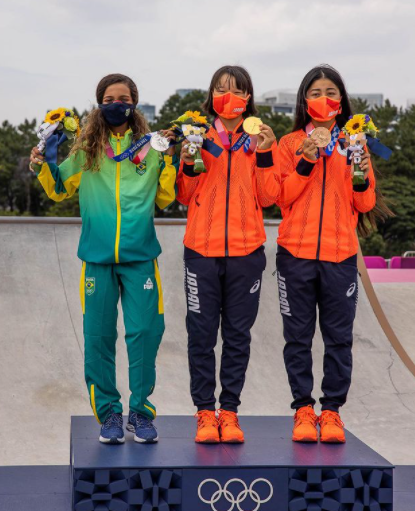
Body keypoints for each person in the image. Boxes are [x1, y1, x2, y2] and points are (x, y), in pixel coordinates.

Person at [30, 73, 178, 444]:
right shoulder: (86, 149)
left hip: (140, 256)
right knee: (98, 337)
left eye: (123, 98)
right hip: (96, 257)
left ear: (134, 103)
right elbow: (61, 189)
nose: (116, 104)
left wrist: (171, 161)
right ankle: (109, 413)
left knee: (145, 334)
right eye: (109, 98)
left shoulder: (150, 148)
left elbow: (164, 199)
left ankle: (141, 413)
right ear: (100, 104)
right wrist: (44, 161)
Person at [276, 64, 391, 443]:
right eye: (314, 93)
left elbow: (365, 200)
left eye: (330, 92)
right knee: (298, 337)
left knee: (339, 338)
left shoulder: (354, 143)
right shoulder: (290, 143)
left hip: (340, 254)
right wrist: (307, 159)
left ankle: (332, 412)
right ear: (303, 101)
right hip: (296, 253)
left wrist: (359, 166)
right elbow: (282, 197)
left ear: (341, 101)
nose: (323, 99)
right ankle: (303, 410)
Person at [176, 65, 280, 443]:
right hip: (201, 252)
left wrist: (267, 154)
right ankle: (205, 412)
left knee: (238, 336)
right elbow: (184, 196)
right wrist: (188, 160)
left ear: (248, 98)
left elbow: (270, 197)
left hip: (246, 252)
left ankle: (230, 412)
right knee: (201, 335)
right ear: (212, 95)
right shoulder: (198, 135)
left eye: (236, 90)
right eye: (221, 89)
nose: (228, 96)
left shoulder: (260, 139)